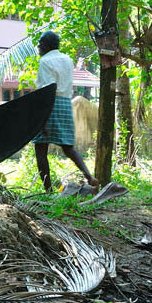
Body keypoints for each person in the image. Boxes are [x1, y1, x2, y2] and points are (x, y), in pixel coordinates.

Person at [31, 31, 99, 192]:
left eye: (40, 43)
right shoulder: (67, 60)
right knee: (68, 147)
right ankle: (89, 176)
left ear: (47, 45)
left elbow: (47, 89)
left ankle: (48, 191)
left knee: (40, 148)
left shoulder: (45, 61)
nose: (39, 46)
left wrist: (44, 119)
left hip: (50, 104)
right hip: (65, 104)